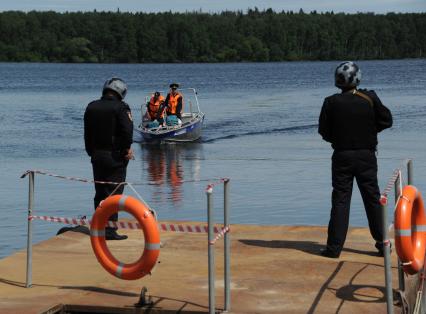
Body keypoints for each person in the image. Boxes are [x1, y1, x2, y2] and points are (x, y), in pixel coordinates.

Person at [318, 61, 393, 258]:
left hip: (342, 156)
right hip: (366, 156)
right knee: (372, 199)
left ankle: (334, 249)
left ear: (337, 80)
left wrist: (340, 138)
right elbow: (387, 120)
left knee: (340, 201)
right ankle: (383, 244)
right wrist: (369, 130)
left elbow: (324, 132)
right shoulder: (369, 97)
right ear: (357, 77)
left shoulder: (330, 102)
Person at [84, 77, 134, 240]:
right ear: (121, 92)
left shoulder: (91, 106)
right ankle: (110, 230)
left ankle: (99, 226)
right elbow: (127, 131)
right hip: (115, 156)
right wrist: (126, 149)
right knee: (114, 193)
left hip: (96, 155)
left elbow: (87, 133)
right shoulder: (121, 108)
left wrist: (91, 152)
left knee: (99, 192)